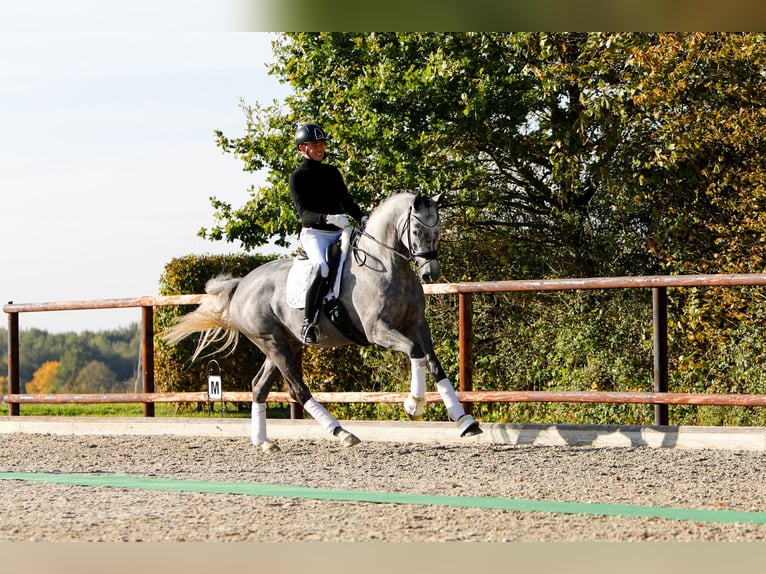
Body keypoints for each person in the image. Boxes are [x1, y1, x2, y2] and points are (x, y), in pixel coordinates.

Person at [289, 123, 366, 344]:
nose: (321, 148)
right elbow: (304, 214)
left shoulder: (332, 172)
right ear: (303, 148)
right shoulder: (298, 177)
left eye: (322, 144)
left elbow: (346, 200)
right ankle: (308, 322)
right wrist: (327, 218)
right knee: (322, 267)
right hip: (316, 234)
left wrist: (361, 217)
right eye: (315, 144)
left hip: (340, 231)